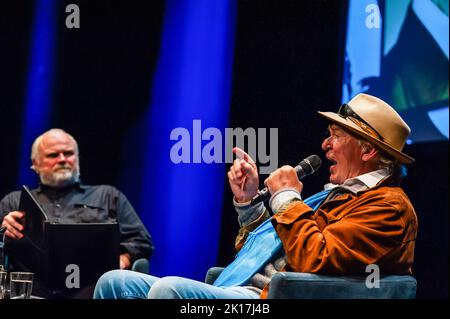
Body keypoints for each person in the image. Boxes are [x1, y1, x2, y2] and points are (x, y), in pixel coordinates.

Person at [93, 93, 417, 299]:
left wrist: (288, 197)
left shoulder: (387, 206)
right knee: (115, 282)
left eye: (335, 136)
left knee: (169, 290)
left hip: (266, 300)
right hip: (247, 289)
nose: (324, 146)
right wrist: (250, 204)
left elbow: (314, 258)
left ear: (369, 150)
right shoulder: (338, 195)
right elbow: (277, 246)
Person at [0, 128, 154, 298]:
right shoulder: (14, 202)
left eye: (68, 153)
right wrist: (3, 232)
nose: (62, 159)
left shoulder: (108, 196)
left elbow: (140, 240)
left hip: (91, 287)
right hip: (31, 289)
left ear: (77, 159)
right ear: (35, 164)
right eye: (53, 155)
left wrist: (120, 262)